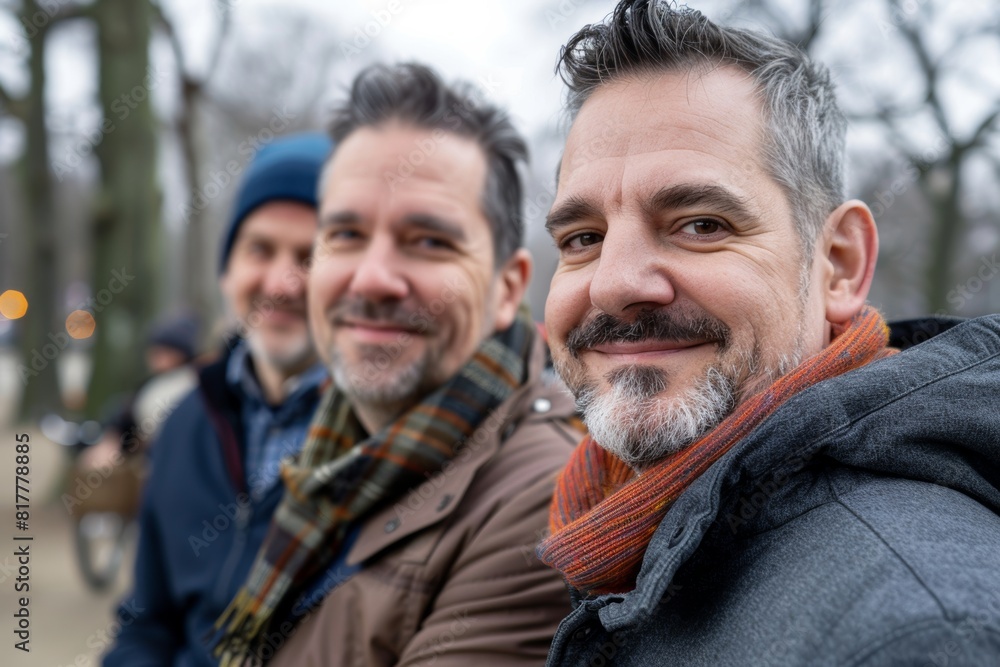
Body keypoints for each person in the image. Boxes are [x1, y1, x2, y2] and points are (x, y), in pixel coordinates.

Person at [537, 2, 1000, 665]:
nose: (614, 283)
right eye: (583, 238)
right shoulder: (613, 538)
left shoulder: (917, 633)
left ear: (838, 263)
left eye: (700, 223)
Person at [211, 63, 582, 667]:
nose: (373, 278)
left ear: (508, 288)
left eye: (430, 241)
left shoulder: (544, 505)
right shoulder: (329, 462)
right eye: (346, 234)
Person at [104, 132, 332, 666]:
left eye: (310, 255)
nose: (282, 281)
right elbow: (146, 621)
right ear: (228, 270)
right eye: (260, 249)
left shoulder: (385, 433)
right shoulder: (184, 423)